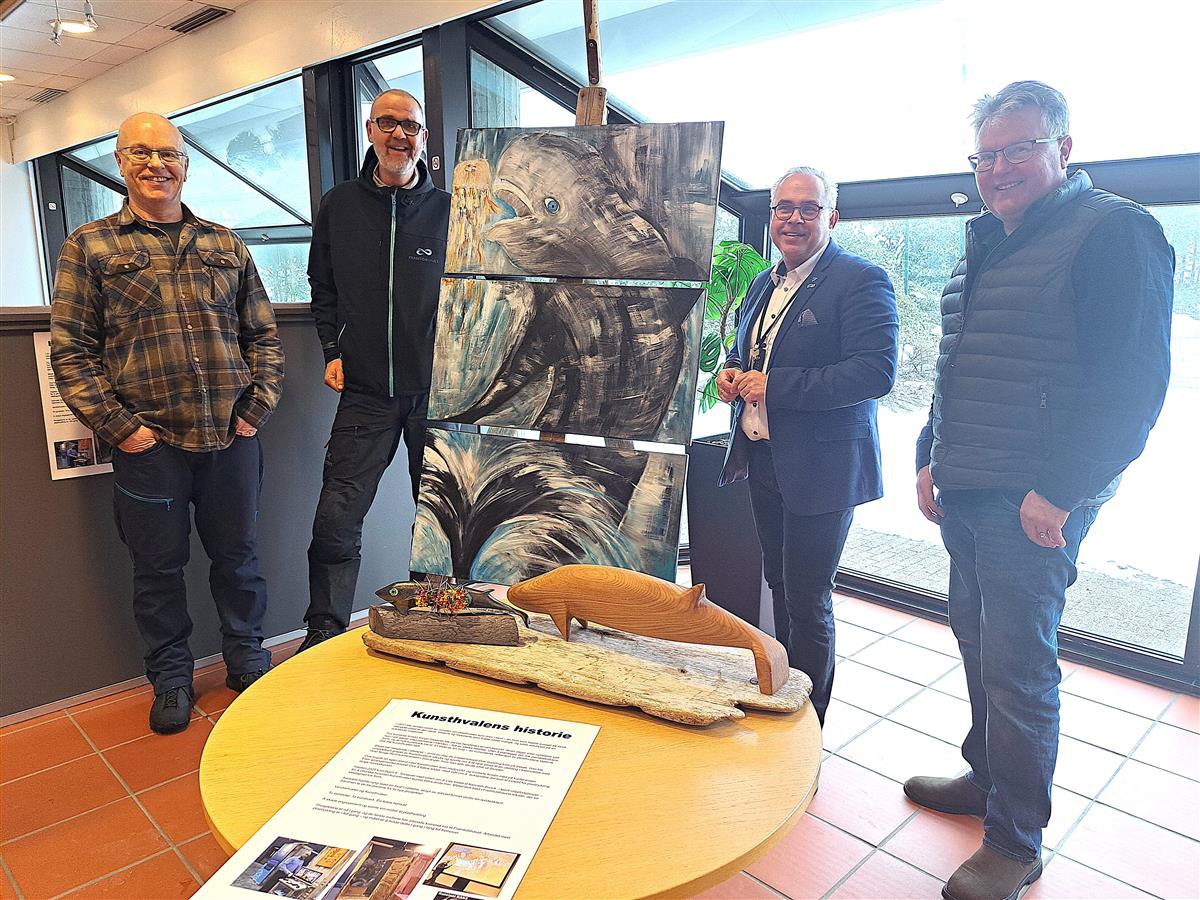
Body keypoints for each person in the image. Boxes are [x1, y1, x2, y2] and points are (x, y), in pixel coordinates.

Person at [906, 81, 1174, 900]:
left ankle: (1015, 842)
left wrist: (1059, 491)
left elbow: (1134, 387)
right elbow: (956, 366)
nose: (998, 169)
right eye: (984, 157)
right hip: (966, 486)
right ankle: (987, 777)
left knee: (1019, 670)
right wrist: (928, 454)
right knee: (976, 644)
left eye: (1017, 149)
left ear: (1064, 148)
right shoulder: (989, 239)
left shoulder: (1115, 232)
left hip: (1032, 503)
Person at [51, 112, 284, 734]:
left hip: (231, 438)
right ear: (120, 162)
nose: (156, 164)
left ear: (186, 164)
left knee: (239, 559)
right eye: (141, 152)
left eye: (168, 154)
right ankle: (172, 678)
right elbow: (71, 353)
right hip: (149, 448)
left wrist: (255, 410)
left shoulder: (225, 245)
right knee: (157, 572)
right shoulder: (91, 247)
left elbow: (263, 336)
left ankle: (247, 661)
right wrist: (122, 429)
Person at [716, 166, 899, 724]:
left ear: (831, 217)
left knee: (808, 597)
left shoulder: (861, 279)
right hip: (764, 456)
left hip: (823, 467)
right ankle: (786, 692)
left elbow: (875, 373)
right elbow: (749, 350)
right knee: (779, 584)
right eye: (783, 207)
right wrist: (731, 372)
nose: (793, 218)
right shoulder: (763, 282)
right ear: (771, 214)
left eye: (808, 208)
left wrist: (776, 386)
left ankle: (808, 721)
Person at [298, 89, 450, 652]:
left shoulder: (451, 210)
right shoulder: (339, 205)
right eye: (387, 123)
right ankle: (324, 629)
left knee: (437, 519)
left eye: (409, 126)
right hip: (364, 392)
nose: (398, 135)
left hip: (436, 395)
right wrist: (331, 350)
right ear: (369, 130)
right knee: (337, 517)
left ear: (423, 138)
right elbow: (323, 286)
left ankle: (438, 623)